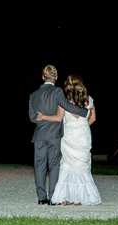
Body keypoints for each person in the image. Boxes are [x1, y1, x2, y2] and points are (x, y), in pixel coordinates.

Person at [28, 64, 90, 205]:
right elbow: (67, 106)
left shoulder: (33, 95)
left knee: (39, 166)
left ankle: (41, 198)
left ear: (43, 77)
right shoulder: (57, 92)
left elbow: (32, 118)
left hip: (39, 135)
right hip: (54, 134)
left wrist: (41, 118)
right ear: (56, 77)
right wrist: (84, 112)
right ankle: (53, 198)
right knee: (54, 165)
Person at [37, 74, 100, 206]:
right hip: (83, 135)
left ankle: (67, 197)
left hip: (69, 135)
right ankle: (82, 198)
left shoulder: (63, 101)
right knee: (82, 166)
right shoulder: (88, 100)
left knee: (67, 165)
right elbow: (93, 118)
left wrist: (43, 116)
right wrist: (82, 127)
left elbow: (58, 118)